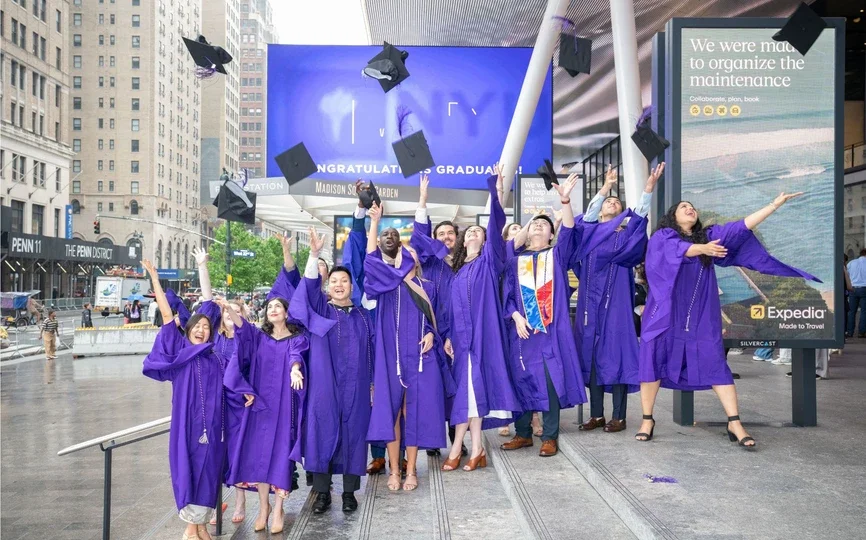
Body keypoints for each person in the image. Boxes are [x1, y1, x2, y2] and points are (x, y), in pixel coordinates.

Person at [637, 194, 819, 449]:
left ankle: (734, 422)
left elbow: (741, 226)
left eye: (692, 207)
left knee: (715, 362)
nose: (690, 209)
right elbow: (675, 250)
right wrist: (703, 249)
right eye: (683, 207)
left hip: (701, 315)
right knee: (653, 361)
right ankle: (647, 419)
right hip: (665, 315)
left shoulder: (709, 235)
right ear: (672, 217)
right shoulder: (663, 237)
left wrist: (773, 205)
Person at [428, 168, 521, 471]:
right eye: (469, 232)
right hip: (461, 341)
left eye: (477, 232)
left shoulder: (490, 262)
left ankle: (458, 447)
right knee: (470, 391)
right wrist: (450, 337)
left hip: (483, 335)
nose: (473, 234)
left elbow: (496, 227)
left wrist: (495, 191)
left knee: (472, 389)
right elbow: (449, 312)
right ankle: (476, 447)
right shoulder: (456, 274)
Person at [364, 201, 453, 491]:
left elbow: (434, 320)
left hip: (419, 357)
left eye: (412, 254)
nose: (408, 256)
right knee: (390, 412)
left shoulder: (426, 287)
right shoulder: (386, 284)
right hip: (389, 357)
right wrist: (374, 223)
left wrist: (431, 335)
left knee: (412, 412)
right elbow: (371, 258)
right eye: (405, 252)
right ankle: (393, 470)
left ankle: (412, 470)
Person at [223, 233, 306, 535]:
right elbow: (242, 330)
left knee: (280, 457)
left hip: (285, 407)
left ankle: (279, 510)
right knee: (259, 458)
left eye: (278, 307)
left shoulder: (296, 339)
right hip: (260, 405)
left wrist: (295, 370)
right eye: (269, 307)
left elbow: (297, 355)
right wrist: (229, 308)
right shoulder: (259, 337)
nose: (273, 310)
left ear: (286, 312)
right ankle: (263, 507)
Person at [572, 163, 662, 434]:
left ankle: (619, 416)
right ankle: (596, 414)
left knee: (618, 354)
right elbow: (587, 218)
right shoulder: (587, 233)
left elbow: (639, 218)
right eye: (608, 201)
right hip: (589, 304)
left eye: (617, 202)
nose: (612, 203)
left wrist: (648, 189)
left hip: (616, 304)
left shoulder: (625, 237)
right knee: (592, 354)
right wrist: (605, 188)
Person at [141, 258, 227, 540]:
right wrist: (155, 277)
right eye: (196, 326)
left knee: (210, 471)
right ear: (188, 330)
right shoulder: (180, 352)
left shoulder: (215, 357)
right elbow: (167, 317)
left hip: (212, 428)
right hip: (186, 427)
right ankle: (191, 528)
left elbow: (209, 303)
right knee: (188, 469)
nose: (201, 329)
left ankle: (200, 526)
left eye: (205, 326)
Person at [501, 174, 585, 457]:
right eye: (534, 223)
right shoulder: (516, 261)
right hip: (522, 331)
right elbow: (507, 294)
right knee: (521, 377)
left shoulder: (557, 256)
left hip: (550, 332)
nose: (538, 226)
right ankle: (523, 433)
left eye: (543, 225)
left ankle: (550, 435)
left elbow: (571, 231)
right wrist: (515, 316)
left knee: (550, 381)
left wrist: (564, 200)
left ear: (551, 234)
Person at [291, 228, 374, 514]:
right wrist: (313, 255)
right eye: (334, 281)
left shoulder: (364, 317)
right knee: (321, 432)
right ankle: (322, 493)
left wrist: (373, 384)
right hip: (324, 387)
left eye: (344, 281)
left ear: (352, 286)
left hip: (358, 387)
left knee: (354, 435)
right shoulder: (320, 312)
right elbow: (306, 293)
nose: (339, 285)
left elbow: (373, 352)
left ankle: (349, 493)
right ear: (329, 286)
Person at [846, 249, 866, 337]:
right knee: (864, 311)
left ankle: (850, 332)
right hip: (864, 289)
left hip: (852, 289)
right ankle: (861, 332)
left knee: (851, 311)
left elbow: (847, 275)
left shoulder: (851, 263)